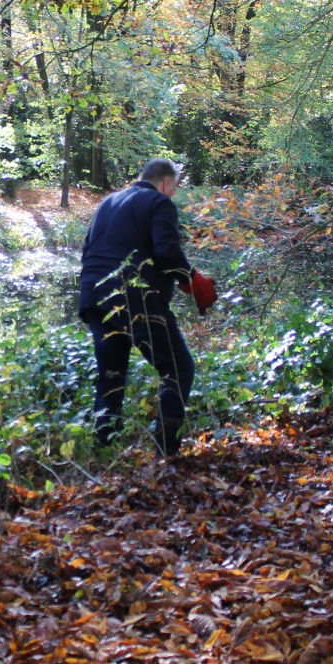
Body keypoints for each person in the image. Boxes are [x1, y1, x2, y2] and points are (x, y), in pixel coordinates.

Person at [78, 158, 215, 455]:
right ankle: (166, 451)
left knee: (111, 376)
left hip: (93, 295)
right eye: (174, 188)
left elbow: (87, 252)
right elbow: (167, 253)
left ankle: (105, 448)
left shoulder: (108, 202)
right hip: (134, 295)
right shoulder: (159, 202)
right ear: (166, 183)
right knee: (177, 366)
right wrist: (196, 283)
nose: (173, 194)